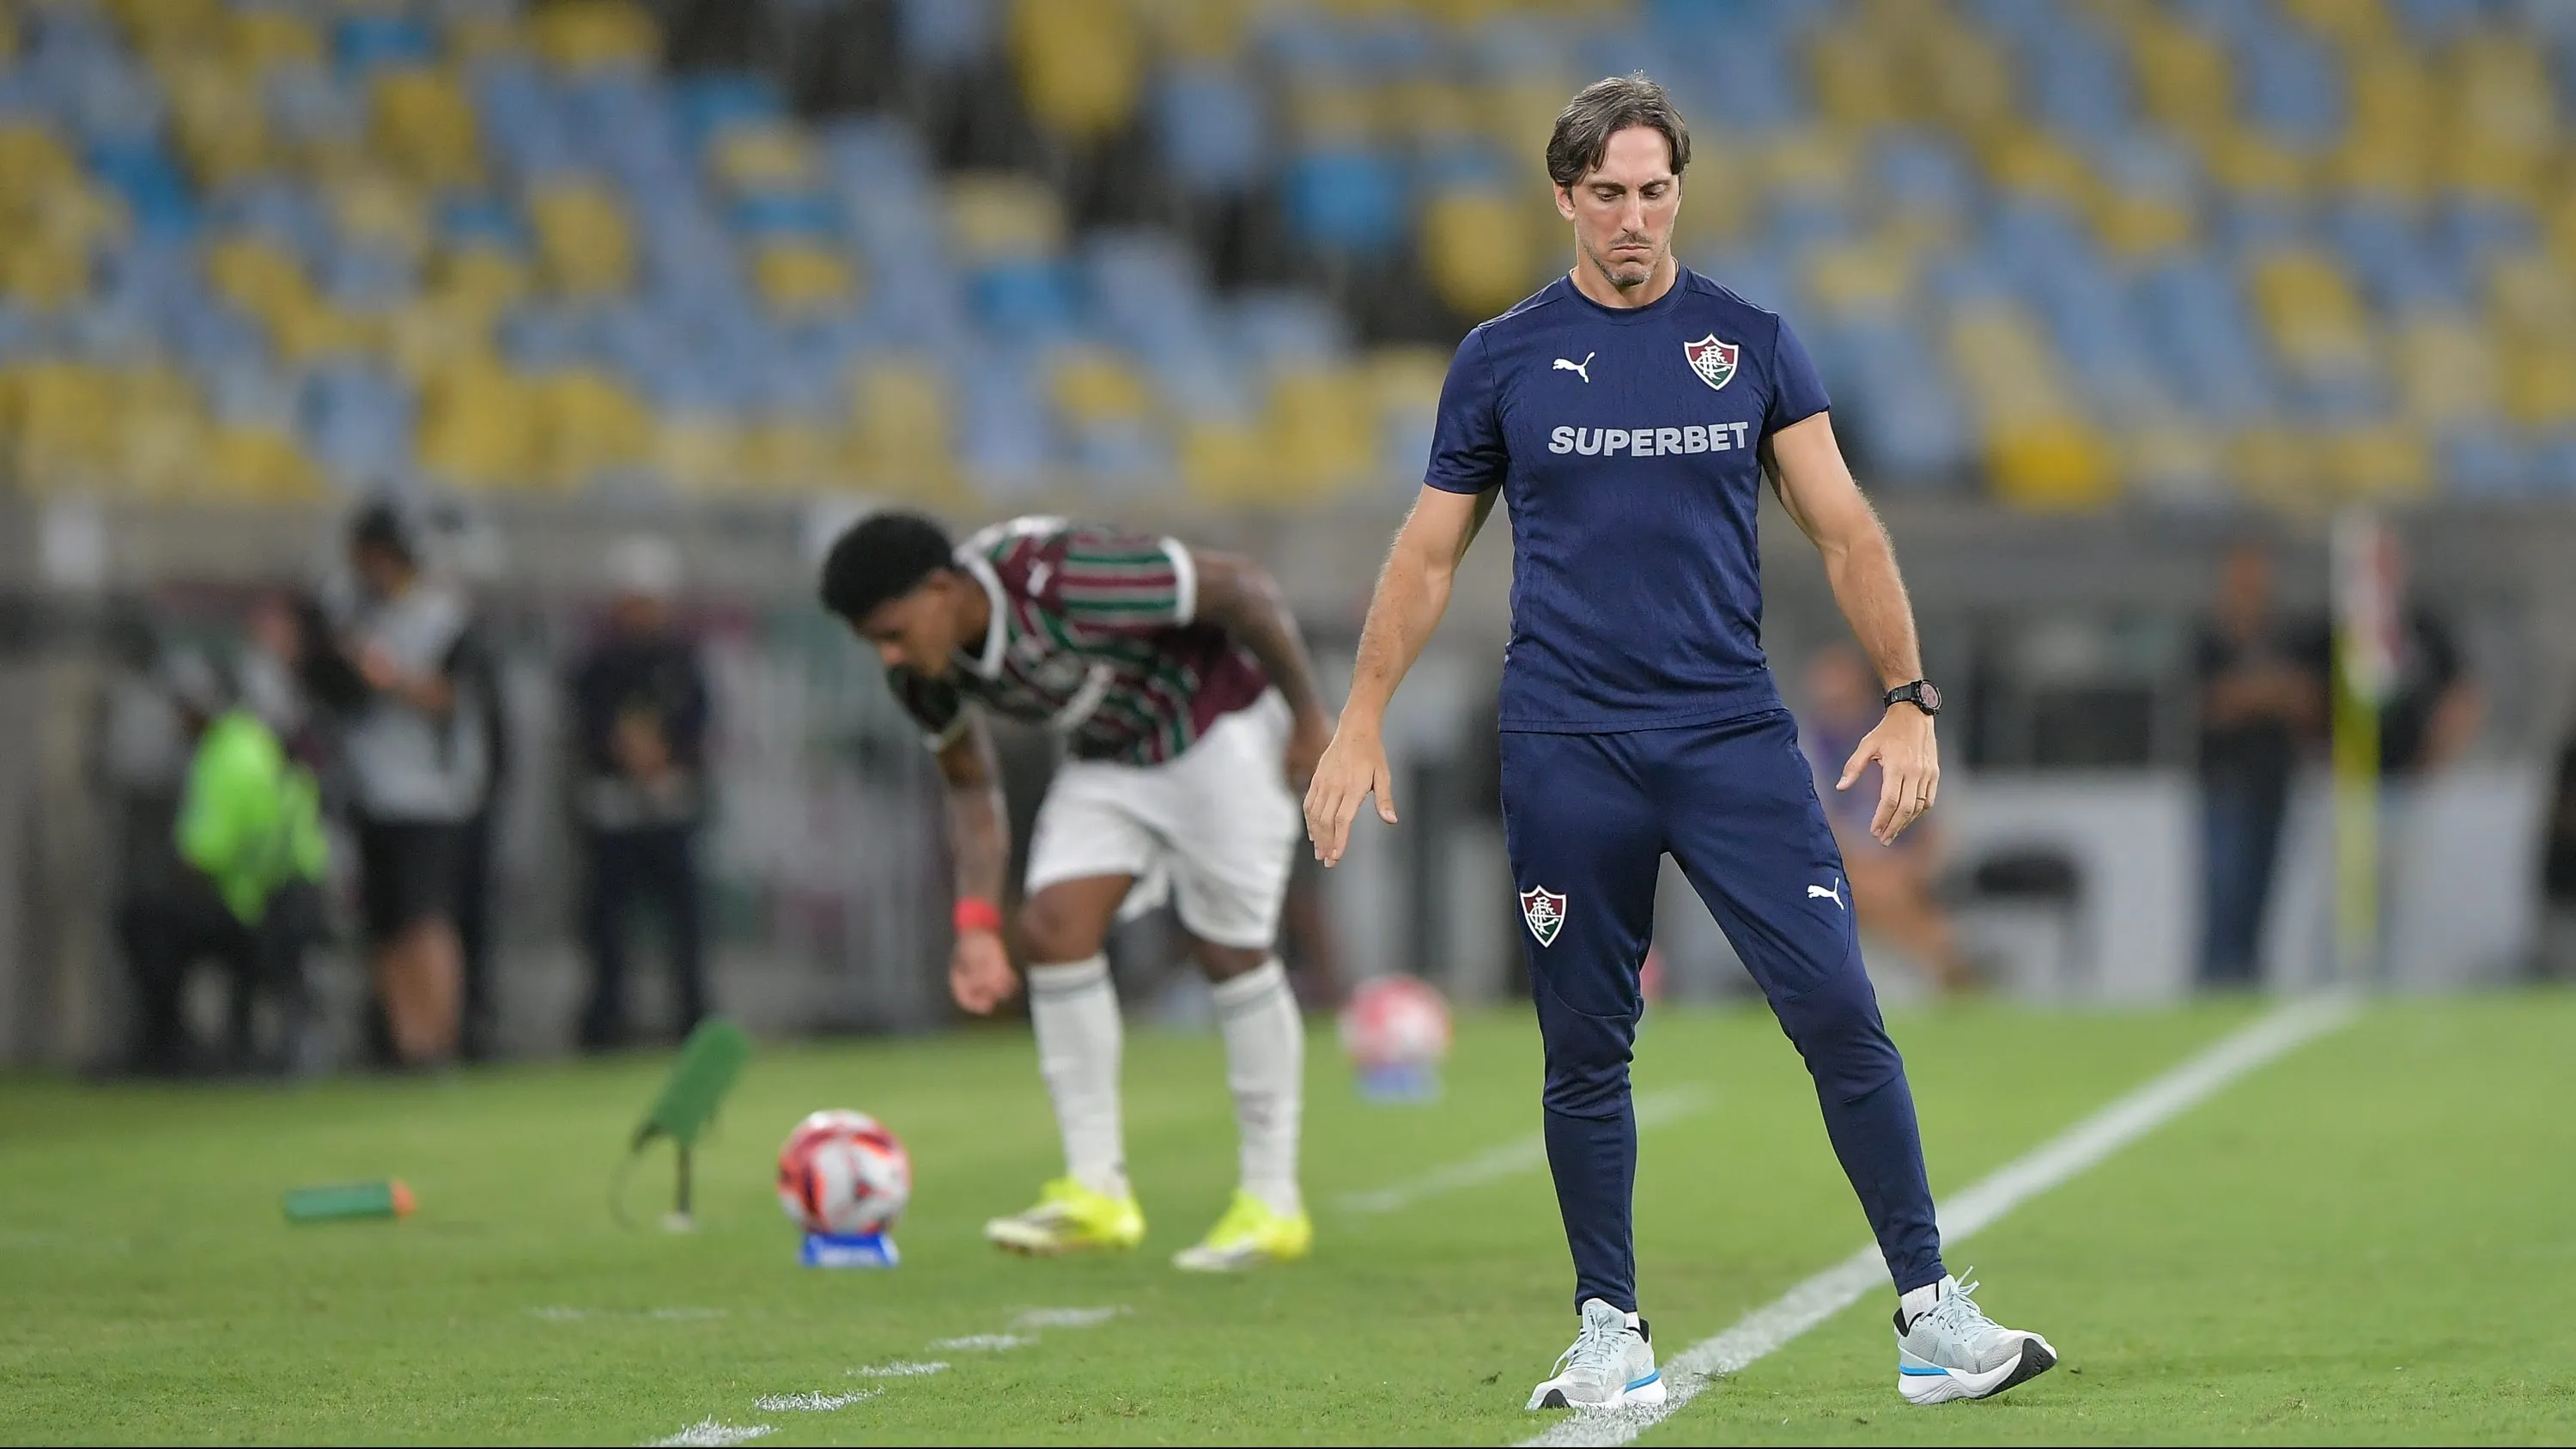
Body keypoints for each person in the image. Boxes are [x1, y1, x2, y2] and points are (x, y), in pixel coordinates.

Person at [1303, 75, 2055, 1411]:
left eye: (1655, 192)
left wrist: (1909, 695)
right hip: (1566, 744)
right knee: (1585, 1044)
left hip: (1728, 737)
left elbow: (1845, 527)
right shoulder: (1501, 357)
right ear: (1564, 199)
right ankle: (1609, 1328)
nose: (1635, 218)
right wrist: (1358, 717)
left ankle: (1930, 1310)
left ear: (1678, 194)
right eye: (1609, 195)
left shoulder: (1752, 342)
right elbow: (1427, 556)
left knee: (1837, 1006)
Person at [818, 509, 1332, 1272]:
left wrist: (1310, 717)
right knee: (1052, 927)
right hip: (1110, 758)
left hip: (1215, 729)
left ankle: (1272, 1200)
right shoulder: (918, 673)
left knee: (1230, 951)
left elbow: (1242, 588)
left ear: (939, 587)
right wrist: (976, 923)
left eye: (894, 632)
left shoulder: (1061, 575)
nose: (891, 655)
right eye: (875, 644)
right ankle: (1096, 1191)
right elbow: (969, 788)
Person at [330, 502, 489, 1068]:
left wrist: (388, 677)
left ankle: (438, 1038)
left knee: (427, 918)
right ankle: (404, 1043)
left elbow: (451, 697)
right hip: (373, 786)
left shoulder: (440, 617)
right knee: (387, 922)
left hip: (430, 791)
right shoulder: (359, 614)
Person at [115, 654, 327, 1076]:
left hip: (253, 907)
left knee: (143, 919)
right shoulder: (257, 743)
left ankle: (168, 1043)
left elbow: (201, 857)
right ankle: (211, 1041)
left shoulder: (225, 757)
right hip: (295, 900)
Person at [569, 535, 711, 1050]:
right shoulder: (599, 666)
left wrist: (660, 756)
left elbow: (697, 732)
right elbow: (589, 730)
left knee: (685, 931)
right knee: (607, 933)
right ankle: (606, 1028)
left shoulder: (683, 662)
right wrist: (627, 751)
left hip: (670, 809)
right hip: (612, 812)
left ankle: (692, 1023)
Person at [1802, 642, 1973, 993]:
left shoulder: (1908, 737)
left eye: (1843, 699)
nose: (1835, 710)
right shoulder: (1806, 745)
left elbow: (1939, 819)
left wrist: (1915, 864)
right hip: (1843, 865)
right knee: (1868, 883)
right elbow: (1818, 823)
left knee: (1886, 886)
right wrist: (1875, 867)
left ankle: (1940, 963)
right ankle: (1944, 959)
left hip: (1906, 868)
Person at [2194, 541, 2326, 988]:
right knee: (2224, 897)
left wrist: (2256, 694)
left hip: (2274, 784)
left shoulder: (2288, 637)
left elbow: (2308, 701)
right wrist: (2271, 694)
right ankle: (2215, 986)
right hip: (2225, 785)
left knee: (2261, 900)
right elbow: (2212, 704)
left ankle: (2247, 984)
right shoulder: (2210, 637)